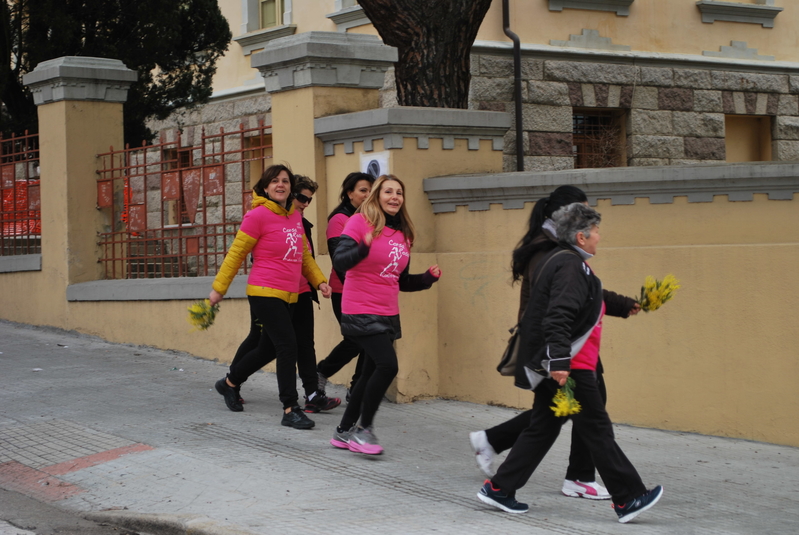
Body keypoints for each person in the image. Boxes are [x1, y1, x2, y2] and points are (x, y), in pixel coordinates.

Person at [476, 203, 663, 524]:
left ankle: (499, 489)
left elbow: (593, 295)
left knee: (542, 429)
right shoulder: (570, 266)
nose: (600, 238)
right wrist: (561, 362)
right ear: (581, 236)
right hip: (572, 366)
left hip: (563, 363)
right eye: (597, 232)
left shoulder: (566, 262)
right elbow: (559, 314)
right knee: (597, 430)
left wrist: (627, 305)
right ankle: (629, 497)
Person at [209, 164, 332, 430]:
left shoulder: (293, 217)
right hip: (264, 292)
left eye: (285, 181)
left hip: (288, 295)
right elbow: (236, 254)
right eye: (274, 181)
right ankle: (290, 408)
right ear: (265, 187)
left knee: (267, 348)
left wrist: (319, 281)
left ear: (291, 187)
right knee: (288, 346)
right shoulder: (258, 215)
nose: (280, 185)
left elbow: (304, 256)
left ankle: (229, 383)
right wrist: (219, 289)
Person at [328, 174, 440, 455]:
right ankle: (363, 431)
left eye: (399, 192)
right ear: (377, 195)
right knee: (388, 366)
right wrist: (361, 248)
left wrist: (425, 279)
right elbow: (341, 260)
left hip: (388, 313)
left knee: (368, 373)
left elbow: (399, 281)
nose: (394, 197)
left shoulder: (404, 235)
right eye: (388, 191)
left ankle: (343, 433)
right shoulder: (359, 222)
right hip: (360, 308)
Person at [315, 172, 375, 401]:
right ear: (349, 193)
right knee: (357, 339)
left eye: (371, 190)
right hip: (345, 290)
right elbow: (339, 259)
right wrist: (355, 285)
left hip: (370, 290)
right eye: (363, 190)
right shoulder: (339, 219)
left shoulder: (373, 218)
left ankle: (357, 388)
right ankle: (322, 372)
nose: (368, 195)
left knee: (372, 339)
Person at [290, 176, 342, 413]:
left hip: (302, 291)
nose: (305, 204)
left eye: (309, 200)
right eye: (302, 198)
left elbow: (306, 258)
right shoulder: (272, 220)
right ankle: (231, 381)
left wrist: (319, 282)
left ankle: (312, 395)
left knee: (305, 344)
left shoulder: (303, 224)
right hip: (274, 294)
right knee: (264, 346)